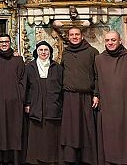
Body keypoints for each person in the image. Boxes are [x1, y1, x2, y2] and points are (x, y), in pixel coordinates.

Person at [60, 27, 99, 165]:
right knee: (70, 129)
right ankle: (70, 158)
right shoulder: (65, 53)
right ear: (68, 37)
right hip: (69, 97)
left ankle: (87, 159)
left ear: (82, 36)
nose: (74, 37)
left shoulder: (92, 52)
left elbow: (97, 75)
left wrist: (96, 94)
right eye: (72, 35)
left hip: (86, 96)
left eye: (77, 34)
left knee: (86, 129)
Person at [0, 33, 26, 165]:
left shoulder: (18, 60)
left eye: (6, 41)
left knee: (14, 130)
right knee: (0, 129)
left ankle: (14, 159)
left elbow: (23, 80)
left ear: (10, 43)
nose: (4, 44)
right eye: (1, 42)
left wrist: (20, 96)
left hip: (15, 100)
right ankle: (1, 159)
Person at [25, 41, 63, 164]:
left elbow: (62, 87)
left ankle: (52, 159)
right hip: (36, 106)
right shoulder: (29, 67)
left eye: (46, 50)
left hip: (53, 105)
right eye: (41, 50)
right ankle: (35, 160)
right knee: (37, 134)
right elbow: (26, 87)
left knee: (51, 134)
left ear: (50, 52)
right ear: (36, 52)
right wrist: (27, 103)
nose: (43, 52)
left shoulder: (57, 67)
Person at [96, 31, 127, 165]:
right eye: (107, 40)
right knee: (109, 136)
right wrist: (96, 95)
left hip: (124, 103)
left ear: (120, 41)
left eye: (113, 40)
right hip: (107, 104)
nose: (110, 43)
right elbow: (96, 79)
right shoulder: (99, 59)